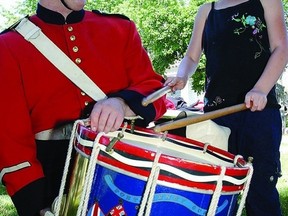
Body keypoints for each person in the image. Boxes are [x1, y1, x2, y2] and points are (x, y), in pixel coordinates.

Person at [0, 0, 167, 215]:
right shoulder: (8, 46)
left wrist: (122, 103)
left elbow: (156, 92)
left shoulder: (120, 28)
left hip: (126, 176)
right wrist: (36, 206)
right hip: (53, 183)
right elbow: (11, 144)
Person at [166, 0, 288, 215]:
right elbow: (191, 56)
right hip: (216, 117)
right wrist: (182, 76)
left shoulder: (267, 2)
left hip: (258, 113)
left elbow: (281, 48)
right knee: (216, 191)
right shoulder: (206, 11)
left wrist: (260, 89)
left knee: (260, 190)